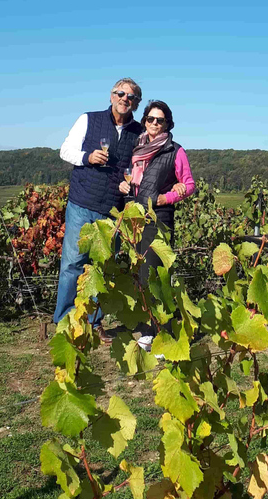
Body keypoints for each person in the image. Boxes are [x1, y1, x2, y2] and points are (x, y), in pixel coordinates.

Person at [54, 78, 143, 341]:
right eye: (120, 93)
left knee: (102, 267)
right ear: (112, 95)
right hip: (82, 203)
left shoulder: (138, 132)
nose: (125, 99)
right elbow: (65, 150)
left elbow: (138, 166)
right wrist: (87, 157)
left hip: (111, 209)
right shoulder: (88, 119)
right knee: (73, 263)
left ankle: (94, 322)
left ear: (136, 103)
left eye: (131, 97)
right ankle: (66, 321)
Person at [118, 100, 195, 351]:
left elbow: (189, 185)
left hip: (160, 217)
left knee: (156, 275)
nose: (154, 124)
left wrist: (168, 197)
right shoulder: (137, 147)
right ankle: (152, 329)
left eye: (159, 120)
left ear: (167, 124)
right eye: (150, 119)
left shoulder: (175, 150)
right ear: (145, 121)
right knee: (141, 274)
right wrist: (124, 186)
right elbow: (130, 179)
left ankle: (162, 332)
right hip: (136, 215)